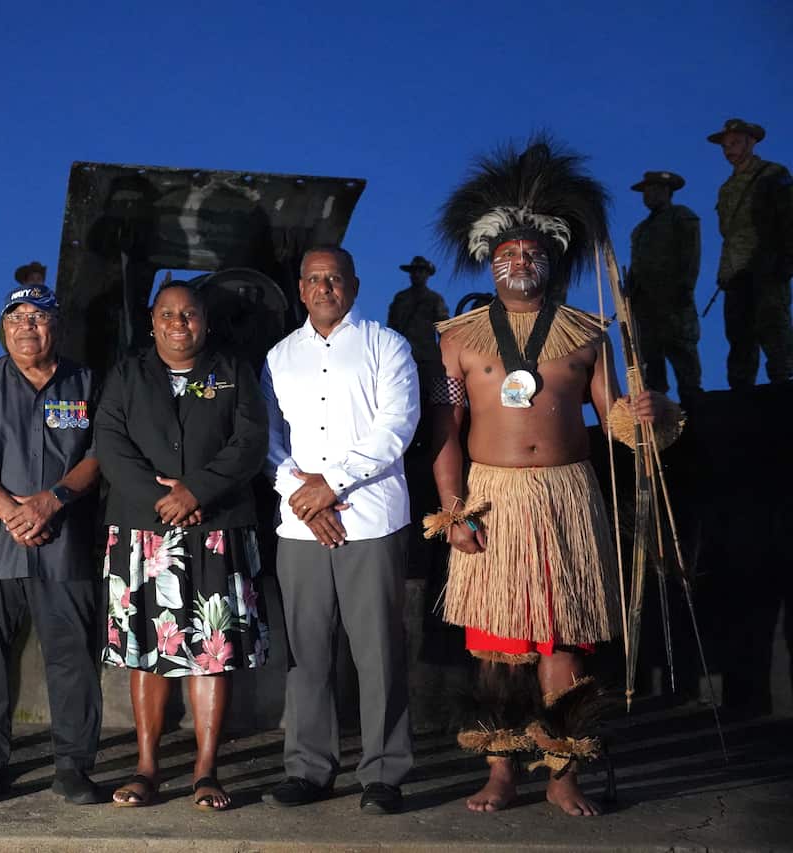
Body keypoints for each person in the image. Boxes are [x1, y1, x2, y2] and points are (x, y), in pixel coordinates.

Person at [431, 136, 681, 817]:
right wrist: (453, 510)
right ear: (488, 257)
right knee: (496, 644)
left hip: (568, 496)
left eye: (532, 252)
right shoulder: (459, 338)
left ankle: (562, 772)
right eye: (508, 252)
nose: (520, 261)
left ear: (552, 257)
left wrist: (650, 412)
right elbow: (445, 429)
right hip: (491, 499)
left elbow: (617, 419)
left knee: (563, 638)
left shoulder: (586, 333)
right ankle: (501, 771)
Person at [95, 281, 269, 811]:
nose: (178, 323)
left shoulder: (233, 370)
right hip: (142, 531)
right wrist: (161, 499)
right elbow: (110, 443)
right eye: (167, 314)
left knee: (212, 652)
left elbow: (250, 442)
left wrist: (197, 491)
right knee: (147, 651)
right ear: (152, 322)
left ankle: (205, 771)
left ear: (205, 321)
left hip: (217, 526)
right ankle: (146, 767)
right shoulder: (127, 373)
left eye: (189, 313)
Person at [260, 246, 419, 815]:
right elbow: (268, 438)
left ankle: (383, 773)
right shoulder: (279, 356)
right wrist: (304, 497)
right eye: (314, 279)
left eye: (334, 278)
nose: (324, 287)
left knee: (378, 652)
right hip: (300, 525)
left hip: (370, 519)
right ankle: (308, 769)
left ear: (352, 285)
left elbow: (396, 424)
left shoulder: (386, 345)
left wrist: (333, 484)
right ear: (300, 289)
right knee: (306, 654)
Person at [0, 284, 102, 805]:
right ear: (3, 329)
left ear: (57, 325)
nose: (26, 326)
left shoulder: (86, 382)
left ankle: (73, 768)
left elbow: (101, 454)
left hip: (64, 543)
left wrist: (52, 501)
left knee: (73, 658)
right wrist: (12, 510)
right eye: (16, 317)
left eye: (38, 316)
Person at [708, 117, 793, 387]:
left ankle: (784, 390)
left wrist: (787, 261)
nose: (729, 150)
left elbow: (789, 219)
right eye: (725, 146)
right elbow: (728, 235)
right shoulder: (727, 188)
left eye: (735, 143)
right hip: (736, 275)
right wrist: (725, 272)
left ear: (751, 142)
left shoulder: (773, 174)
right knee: (739, 337)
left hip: (768, 268)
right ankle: (742, 396)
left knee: (774, 331)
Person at [626, 171, 701, 395]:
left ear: (667, 191)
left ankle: (693, 401)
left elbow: (691, 255)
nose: (649, 195)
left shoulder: (681, 216)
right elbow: (636, 265)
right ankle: (658, 406)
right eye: (646, 192)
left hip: (673, 300)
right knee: (650, 361)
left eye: (655, 190)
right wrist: (629, 295)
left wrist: (685, 287)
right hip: (645, 305)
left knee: (682, 353)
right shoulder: (640, 230)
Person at [387, 255, 449, 391]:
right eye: (414, 271)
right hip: (403, 356)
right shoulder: (401, 298)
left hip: (427, 358)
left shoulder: (434, 299)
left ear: (427, 274)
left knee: (429, 395)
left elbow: (444, 328)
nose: (416, 274)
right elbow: (391, 328)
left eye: (420, 271)